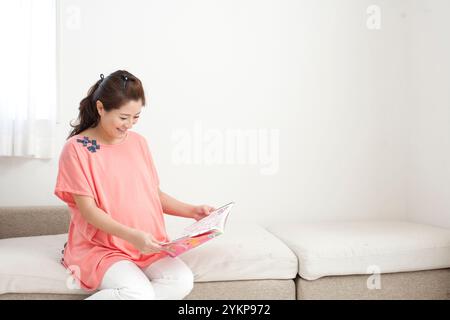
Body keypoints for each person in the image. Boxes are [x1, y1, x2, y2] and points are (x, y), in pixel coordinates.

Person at [54, 70, 215, 300]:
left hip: (146, 243)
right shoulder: (76, 149)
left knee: (181, 281)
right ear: (101, 108)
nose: (129, 124)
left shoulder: (139, 143)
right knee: (138, 293)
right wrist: (132, 236)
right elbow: (88, 211)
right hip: (101, 248)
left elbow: (153, 194)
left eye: (136, 117)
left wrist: (192, 211)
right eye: (123, 117)